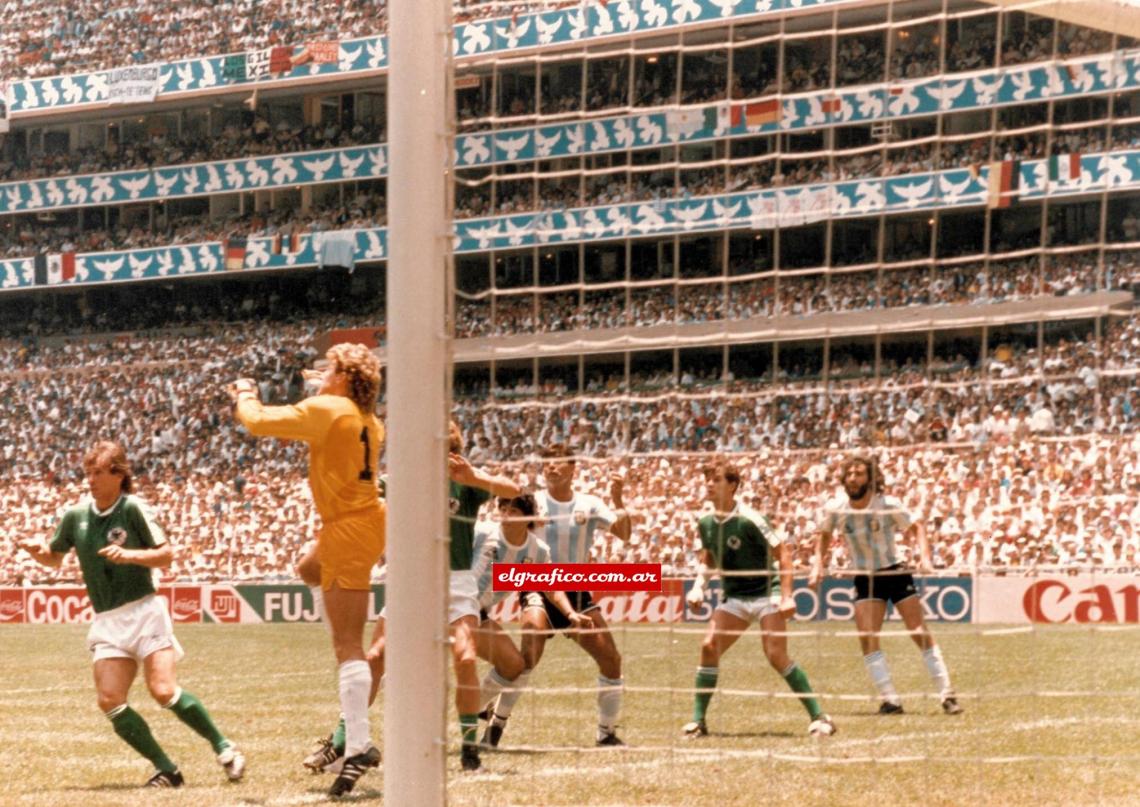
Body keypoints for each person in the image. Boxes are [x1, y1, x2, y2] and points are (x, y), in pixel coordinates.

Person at [17, 441, 245, 789]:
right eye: (87, 473)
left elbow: (166, 554)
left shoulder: (134, 508)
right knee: (110, 700)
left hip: (145, 612)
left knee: (163, 691)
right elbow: (54, 557)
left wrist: (130, 556)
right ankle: (166, 768)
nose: (89, 480)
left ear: (118, 475)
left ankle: (223, 746)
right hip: (108, 621)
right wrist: (39, 553)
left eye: (97, 473)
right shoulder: (75, 515)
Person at [304, 421, 519, 774]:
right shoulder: (399, 480)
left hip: (456, 583)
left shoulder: (465, 480)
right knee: (374, 657)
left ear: (453, 451)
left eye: (445, 449)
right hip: (409, 582)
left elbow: (514, 488)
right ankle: (342, 741)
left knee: (465, 658)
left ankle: (469, 748)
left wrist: (476, 477)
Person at [230, 342, 386, 797]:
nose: (322, 373)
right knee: (307, 567)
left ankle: (358, 745)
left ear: (342, 377)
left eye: (329, 368)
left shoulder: (329, 409)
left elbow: (257, 421)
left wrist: (244, 392)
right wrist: (319, 386)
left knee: (346, 645)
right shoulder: (367, 419)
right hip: (363, 522)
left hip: (348, 529)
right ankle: (356, 741)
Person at [483, 442, 631, 747]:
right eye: (546, 462)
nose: (551, 467)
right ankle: (494, 725)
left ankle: (606, 733)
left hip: (576, 589)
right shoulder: (532, 502)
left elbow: (625, 534)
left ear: (573, 468)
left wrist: (618, 499)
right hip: (538, 584)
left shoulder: (589, 504)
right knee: (528, 657)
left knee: (611, 659)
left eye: (558, 462)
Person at [682, 461, 835, 739]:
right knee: (708, 647)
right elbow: (710, 558)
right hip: (736, 596)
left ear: (732, 486)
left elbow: (784, 554)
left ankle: (819, 717)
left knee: (775, 655)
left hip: (768, 592)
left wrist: (786, 596)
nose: (708, 484)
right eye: (706, 479)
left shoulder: (750, 519)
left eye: (715, 479)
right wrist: (698, 586)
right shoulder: (705, 523)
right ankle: (698, 722)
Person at [810, 454, 963, 715]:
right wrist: (817, 564)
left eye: (859, 474)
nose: (853, 479)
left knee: (918, 630)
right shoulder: (836, 507)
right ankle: (890, 699)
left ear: (870, 478)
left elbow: (917, 527)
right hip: (865, 576)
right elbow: (823, 535)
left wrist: (925, 557)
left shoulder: (888, 503)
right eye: (849, 474)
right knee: (867, 636)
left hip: (894, 572)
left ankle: (946, 693)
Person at [472, 492, 589, 747]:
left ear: (528, 518)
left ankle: (473, 718)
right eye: (503, 508)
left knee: (515, 665)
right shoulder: (481, 532)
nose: (505, 515)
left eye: (513, 511)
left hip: (476, 616)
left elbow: (551, 586)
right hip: (448, 609)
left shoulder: (536, 550)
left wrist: (570, 614)